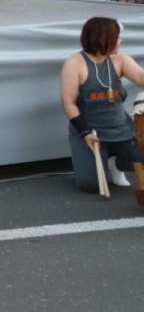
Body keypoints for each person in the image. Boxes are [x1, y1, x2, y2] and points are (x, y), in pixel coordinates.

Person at [60, 17, 144, 193]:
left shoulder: (120, 60)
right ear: (103, 39)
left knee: (140, 156)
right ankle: (104, 158)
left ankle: (116, 163)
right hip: (90, 131)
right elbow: (68, 103)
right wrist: (85, 132)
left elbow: (141, 78)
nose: (121, 40)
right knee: (90, 185)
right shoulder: (74, 63)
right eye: (117, 37)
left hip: (120, 127)